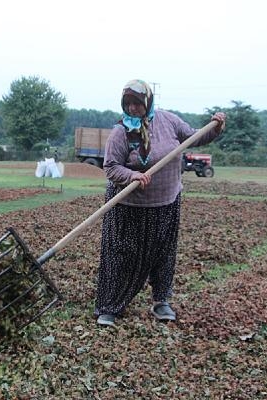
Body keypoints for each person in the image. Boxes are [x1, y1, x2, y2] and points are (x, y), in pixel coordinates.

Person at [95, 79, 226, 326]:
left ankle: (161, 301)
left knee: (163, 255)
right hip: (128, 207)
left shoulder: (169, 121)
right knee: (121, 255)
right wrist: (132, 175)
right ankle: (109, 306)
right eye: (128, 103)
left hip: (166, 202)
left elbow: (194, 138)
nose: (133, 108)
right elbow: (111, 167)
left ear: (148, 101)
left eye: (137, 102)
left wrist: (215, 127)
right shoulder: (120, 132)